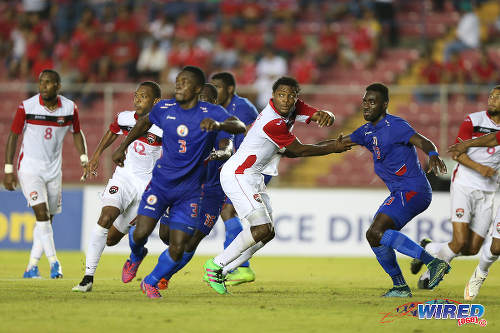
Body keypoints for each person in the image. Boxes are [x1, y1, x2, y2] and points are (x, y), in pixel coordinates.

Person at [203, 76, 351, 295]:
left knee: (267, 233)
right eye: (281, 95)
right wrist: (332, 147)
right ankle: (215, 266)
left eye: (291, 95)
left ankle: (225, 270)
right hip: (238, 174)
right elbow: (298, 151)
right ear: (273, 96)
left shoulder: (293, 106)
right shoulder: (272, 122)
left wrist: (326, 115)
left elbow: (315, 114)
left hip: (254, 176)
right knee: (261, 228)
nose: (286, 99)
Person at [111, 66, 246, 298]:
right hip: (164, 184)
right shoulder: (166, 108)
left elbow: (232, 138)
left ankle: (155, 279)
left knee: (184, 243)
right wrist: (122, 146)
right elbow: (143, 122)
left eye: (185, 83)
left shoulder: (214, 115)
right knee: (150, 234)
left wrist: (219, 132)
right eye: (178, 82)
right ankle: (136, 254)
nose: (179, 86)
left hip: (205, 190)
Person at [334, 83, 450, 297]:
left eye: (372, 101)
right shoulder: (366, 131)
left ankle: (433, 264)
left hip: (414, 190)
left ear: (384, 104)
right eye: (364, 101)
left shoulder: (396, 125)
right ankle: (400, 286)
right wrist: (300, 150)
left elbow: (424, 142)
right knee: (374, 235)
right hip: (400, 192)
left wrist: (432, 154)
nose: (366, 106)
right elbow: (337, 144)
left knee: (376, 232)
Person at [72, 81, 162, 292]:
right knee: (105, 217)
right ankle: (87, 278)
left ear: (156, 101)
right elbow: (112, 132)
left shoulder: (163, 126)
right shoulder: (124, 117)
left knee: (112, 239)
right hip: (123, 178)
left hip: (146, 187)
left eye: (144, 96)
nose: (138, 99)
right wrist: (95, 156)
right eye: (136, 95)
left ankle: (138, 254)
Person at [411, 86, 500, 290]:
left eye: (498, 97)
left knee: (472, 249)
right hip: (465, 184)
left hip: (487, 192)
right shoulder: (473, 120)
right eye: (491, 95)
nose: (492, 99)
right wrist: (480, 168)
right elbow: (457, 153)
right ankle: (428, 277)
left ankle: (428, 248)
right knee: (459, 242)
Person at [3, 69, 87, 279]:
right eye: (41, 82)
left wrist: (84, 158)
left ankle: (31, 266)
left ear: (58, 86)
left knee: (46, 221)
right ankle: (54, 264)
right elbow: (13, 136)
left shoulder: (69, 108)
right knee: (41, 214)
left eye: (49, 82)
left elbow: (77, 133)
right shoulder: (27, 106)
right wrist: (8, 169)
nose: (43, 85)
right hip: (30, 168)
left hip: (53, 171)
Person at [447, 86, 500, 300]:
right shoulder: (475, 120)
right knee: (496, 248)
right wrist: (467, 144)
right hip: (471, 185)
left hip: (489, 189)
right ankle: (481, 273)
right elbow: (493, 139)